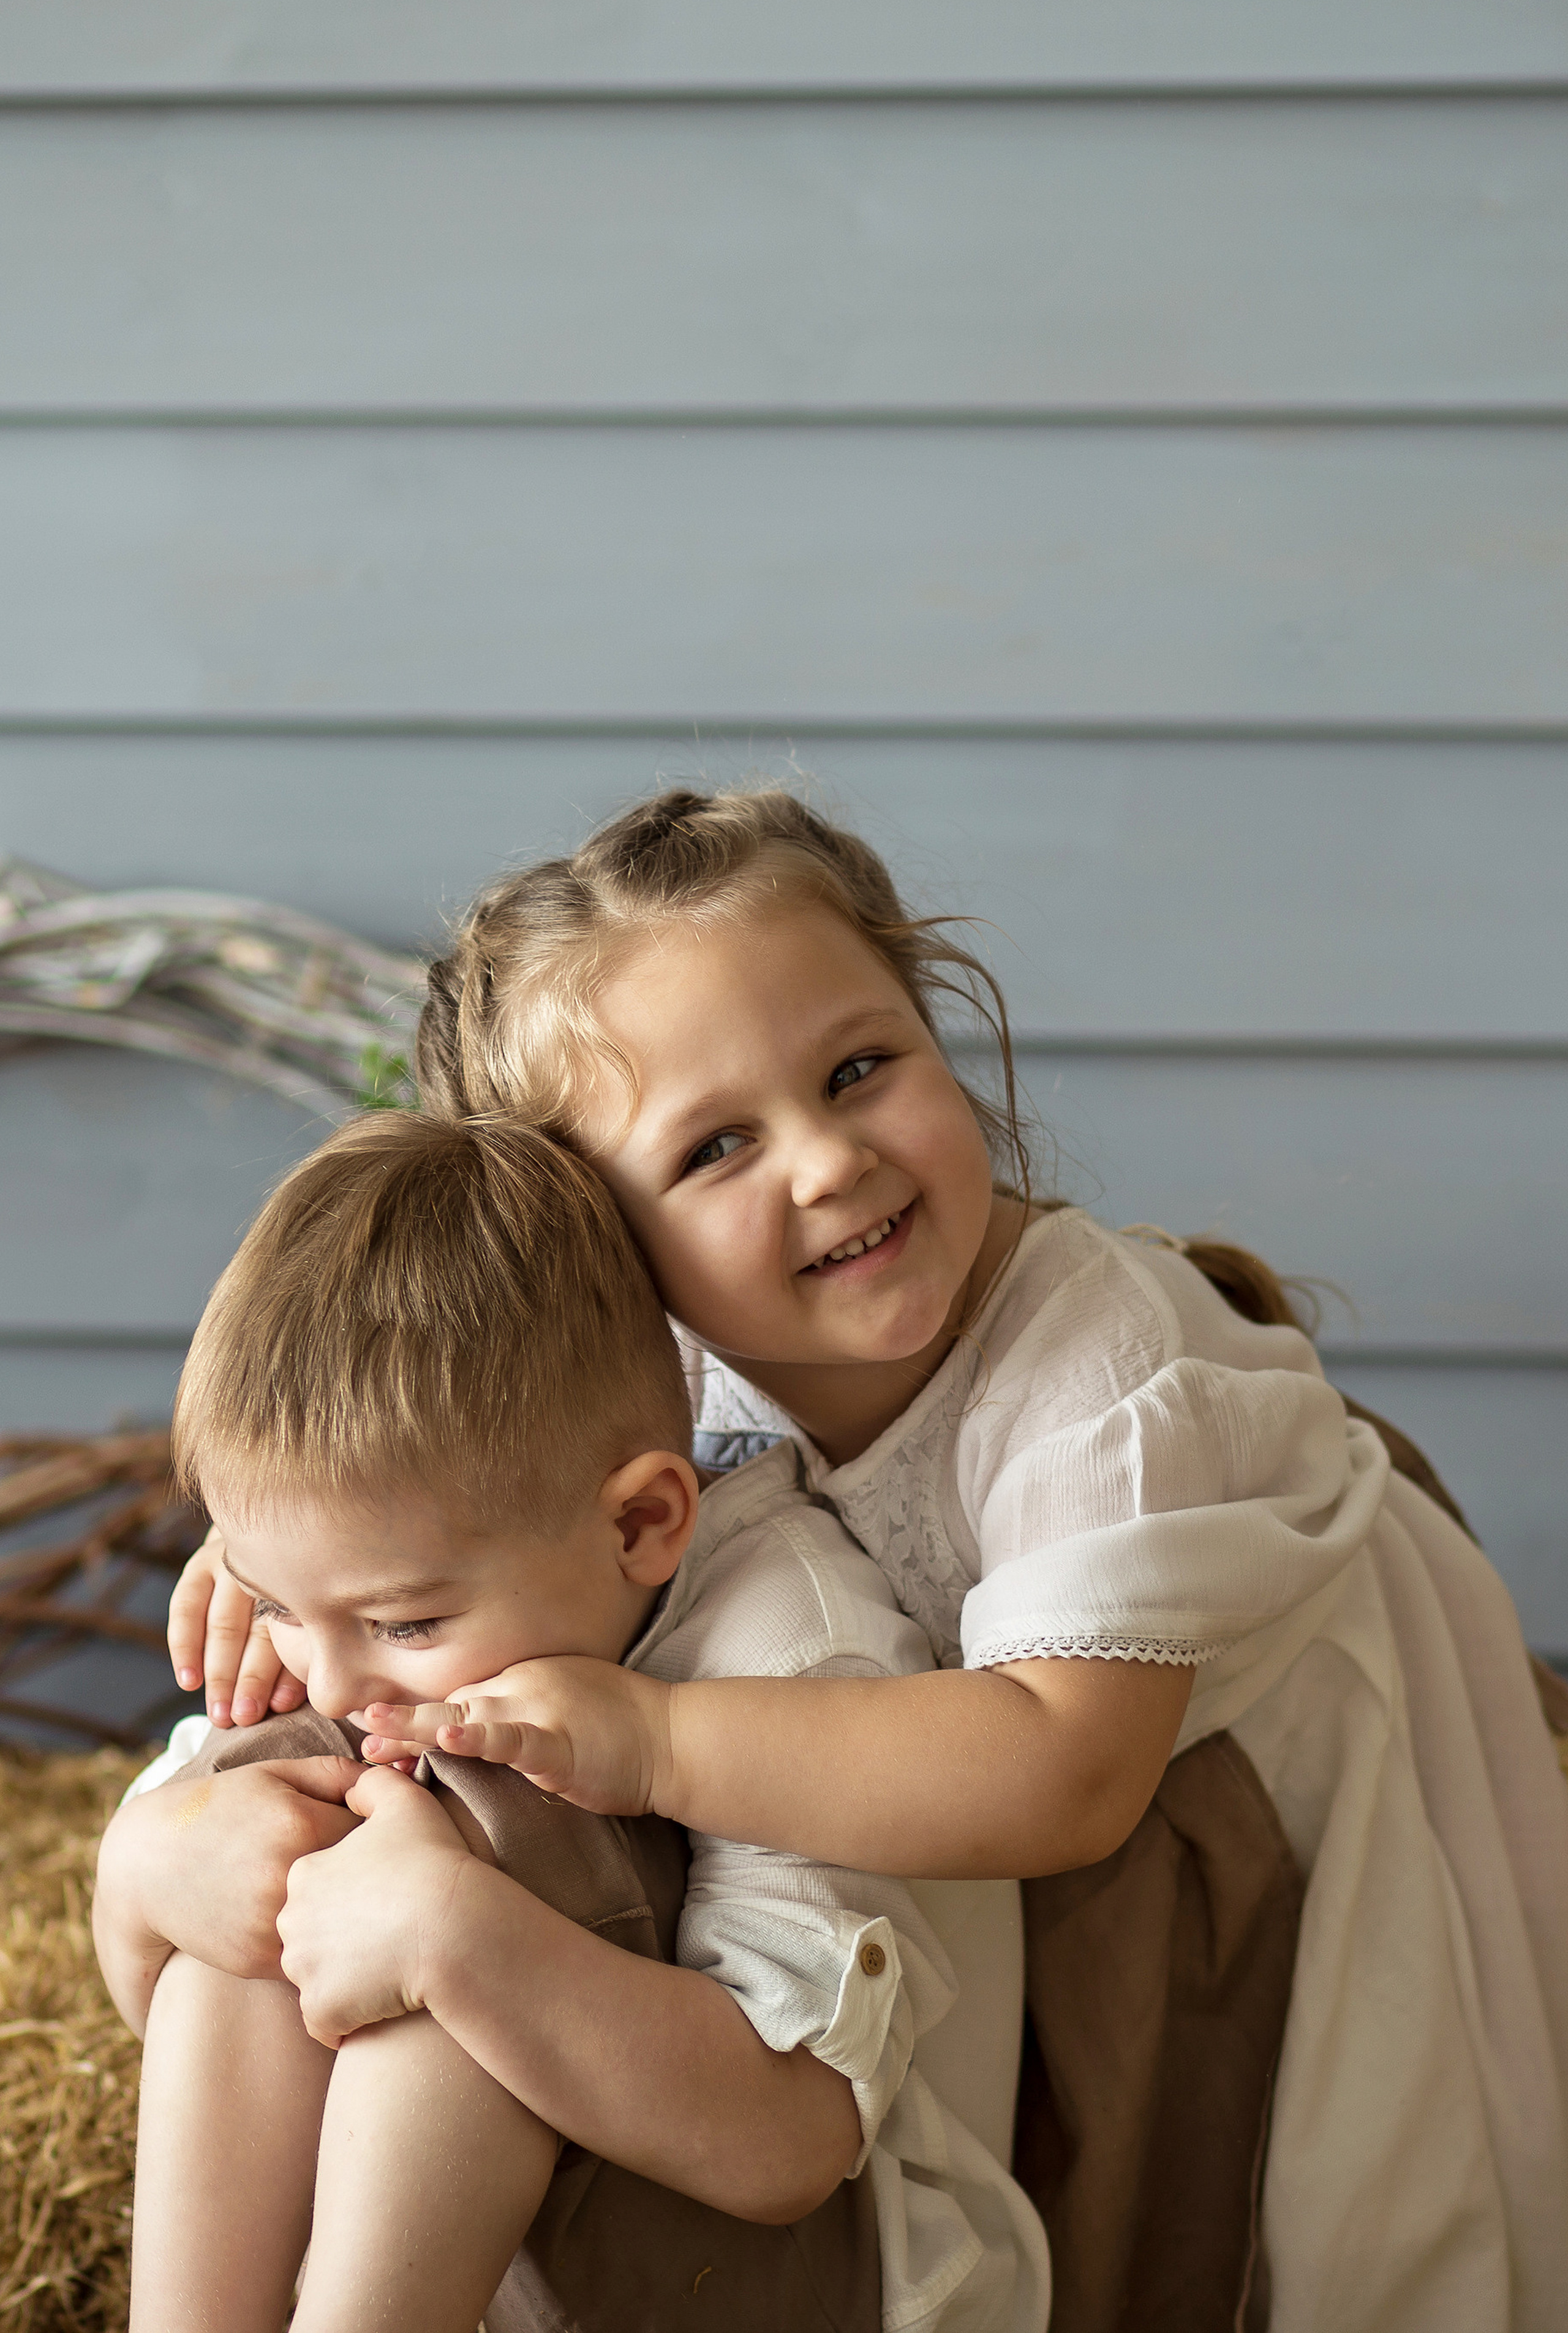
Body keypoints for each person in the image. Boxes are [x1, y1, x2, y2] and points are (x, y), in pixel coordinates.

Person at [173, 785, 1568, 2333]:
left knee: (1311, 2211)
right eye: (715, 1147)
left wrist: (651, 1737)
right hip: (964, 1817)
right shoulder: (674, 1373)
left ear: (934, 1023)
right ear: (603, 1249)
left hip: (1236, 1813)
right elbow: (475, 1468)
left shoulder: (1097, 1373)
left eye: (858, 1068)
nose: (828, 1162)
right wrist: (297, 1563)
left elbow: (1061, 1771)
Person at [98, 1110, 1050, 2333]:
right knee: (264, 1820)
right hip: (471, 2255)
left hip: (770, 2278)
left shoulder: (791, 1645)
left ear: (642, 1525)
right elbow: (168, 2007)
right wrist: (147, 1872)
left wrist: (460, 1941)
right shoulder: (345, 1615)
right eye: (273, 1601)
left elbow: (788, 2146)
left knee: (484, 1871)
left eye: (403, 1625)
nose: (331, 1682)